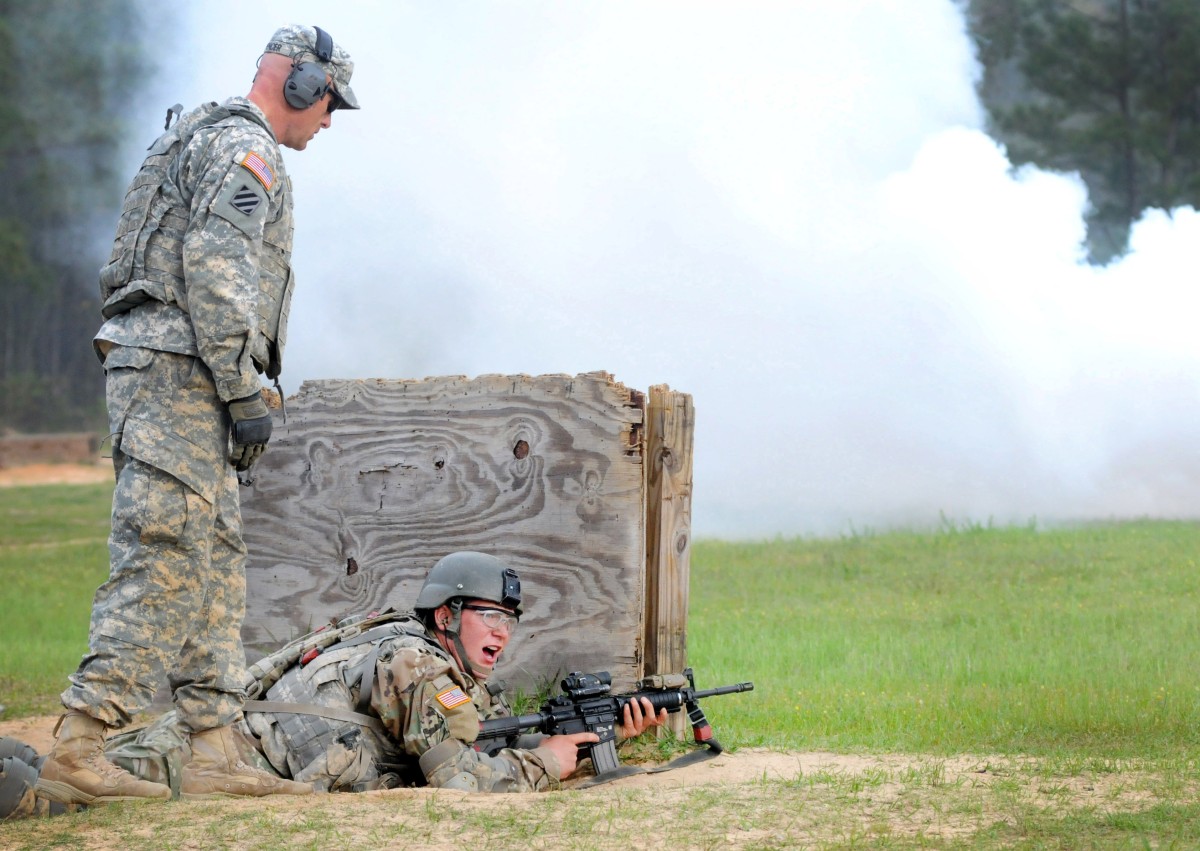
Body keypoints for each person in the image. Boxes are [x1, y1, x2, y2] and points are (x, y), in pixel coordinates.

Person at [34, 24, 361, 807]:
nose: (329, 119)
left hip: (185, 374)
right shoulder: (245, 153)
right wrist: (243, 389)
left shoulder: (207, 138)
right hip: (182, 374)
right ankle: (80, 740)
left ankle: (213, 744)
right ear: (299, 83)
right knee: (166, 554)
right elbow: (215, 275)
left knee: (215, 559)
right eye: (329, 103)